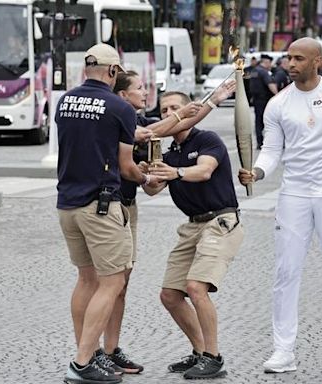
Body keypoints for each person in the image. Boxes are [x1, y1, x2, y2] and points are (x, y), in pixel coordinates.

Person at [238, 37, 322, 376]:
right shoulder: (278, 103)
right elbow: (272, 149)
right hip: (293, 195)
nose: (291, 64)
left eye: (298, 58)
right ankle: (283, 350)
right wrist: (258, 170)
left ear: (317, 61)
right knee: (285, 274)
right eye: (288, 58)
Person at [56, 43, 160, 384]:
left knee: (87, 280)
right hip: (100, 206)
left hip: (68, 204)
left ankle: (91, 353)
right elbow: (127, 167)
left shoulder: (65, 101)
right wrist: (148, 179)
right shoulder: (118, 107)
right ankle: (84, 360)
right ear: (113, 72)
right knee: (113, 281)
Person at [87, 71, 203, 374]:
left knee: (120, 285)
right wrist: (210, 102)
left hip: (127, 208)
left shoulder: (136, 120)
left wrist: (149, 176)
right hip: (108, 208)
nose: (145, 91)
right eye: (139, 88)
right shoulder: (118, 117)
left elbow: (152, 168)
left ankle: (110, 350)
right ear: (123, 95)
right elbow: (153, 133)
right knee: (107, 284)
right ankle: (92, 353)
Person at [142, 91, 244, 380]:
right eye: (165, 109)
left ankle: (213, 357)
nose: (170, 112)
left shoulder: (207, 139)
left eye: (176, 107)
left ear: (189, 109)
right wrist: (146, 175)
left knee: (196, 287)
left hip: (220, 221)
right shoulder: (167, 151)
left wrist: (175, 172)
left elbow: (204, 171)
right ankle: (200, 352)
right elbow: (152, 189)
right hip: (192, 225)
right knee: (170, 295)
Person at [249, 54, 278, 149]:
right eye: (270, 63)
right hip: (264, 100)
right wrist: (278, 96)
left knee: (258, 122)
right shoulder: (263, 72)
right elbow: (271, 85)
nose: (271, 65)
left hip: (256, 100)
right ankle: (268, 142)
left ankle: (259, 142)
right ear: (266, 62)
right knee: (268, 121)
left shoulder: (254, 71)